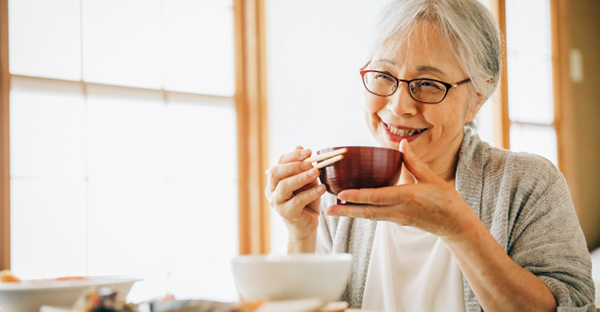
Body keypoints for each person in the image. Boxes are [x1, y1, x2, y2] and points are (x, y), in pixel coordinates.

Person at [263, 0, 596, 311]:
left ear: (478, 98)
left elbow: (572, 303)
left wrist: (457, 228)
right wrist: (300, 234)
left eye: (428, 83)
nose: (399, 106)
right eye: (383, 76)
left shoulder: (528, 184)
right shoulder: (342, 188)